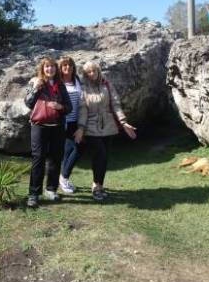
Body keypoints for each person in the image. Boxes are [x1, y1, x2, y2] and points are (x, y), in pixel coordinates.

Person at [74, 61, 137, 201]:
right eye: (88, 72)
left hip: (108, 126)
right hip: (91, 126)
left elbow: (115, 104)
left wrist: (123, 122)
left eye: (93, 71)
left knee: (104, 157)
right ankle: (96, 186)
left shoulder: (106, 84)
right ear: (85, 74)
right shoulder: (84, 88)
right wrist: (81, 128)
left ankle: (100, 185)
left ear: (98, 71)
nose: (91, 74)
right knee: (100, 155)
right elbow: (83, 109)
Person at [24, 57, 72, 208]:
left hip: (57, 126)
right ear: (42, 69)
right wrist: (36, 88)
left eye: (52, 66)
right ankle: (34, 194)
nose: (49, 69)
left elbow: (69, 107)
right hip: (39, 126)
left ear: (56, 69)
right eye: (46, 67)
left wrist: (60, 107)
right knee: (38, 158)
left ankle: (51, 190)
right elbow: (28, 103)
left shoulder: (61, 85)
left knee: (56, 158)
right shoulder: (36, 82)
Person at [58, 56, 82, 194]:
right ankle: (64, 177)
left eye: (70, 65)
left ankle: (63, 177)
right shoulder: (59, 82)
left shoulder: (77, 80)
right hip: (64, 122)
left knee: (72, 149)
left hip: (77, 121)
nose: (68, 68)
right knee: (76, 148)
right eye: (65, 65)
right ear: (61, 68)